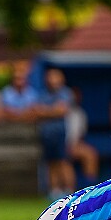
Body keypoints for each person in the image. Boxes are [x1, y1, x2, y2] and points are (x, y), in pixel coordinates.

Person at [38, 68, 76, 199]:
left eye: (55, 77)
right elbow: (36, 111)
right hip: (46, 134)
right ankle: (54, 192)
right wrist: (52, 111)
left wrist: (46, 111)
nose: (52, 80)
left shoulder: (65, 93)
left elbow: (62, 110)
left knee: (63, 161)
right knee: (51, 163)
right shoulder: (43, 93)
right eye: (50, 77)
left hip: (61, 133)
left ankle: (70, 191)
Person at [65, 88, 100, 187]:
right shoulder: (62, 110)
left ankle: (90, 186)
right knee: (63, 158)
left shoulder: (80, 113)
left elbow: (81, 135)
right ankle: (68, 189)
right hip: (61, 144)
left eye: (77, 96)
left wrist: (75, 145)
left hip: (75, 144)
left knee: (91, 154)